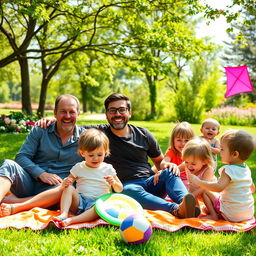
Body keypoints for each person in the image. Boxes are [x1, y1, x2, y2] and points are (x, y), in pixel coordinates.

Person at [1, 93, 198, 219]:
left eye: (122, 109)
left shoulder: (140, 133)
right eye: (112, 111)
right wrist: (52, 121)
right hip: (124, 186)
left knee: (168, 174)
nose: (117, 114)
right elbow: (25, 155)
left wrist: (168, 166)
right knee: (128, 190)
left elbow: (159, 160)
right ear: (106, 114)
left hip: (146, 181)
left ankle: (185, 204)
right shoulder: (95, 133)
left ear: (129, 112)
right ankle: (176, 210)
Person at [0, 94, 84, 216]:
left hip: (55, 191)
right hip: (29, 183)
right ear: (55, 113)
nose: (67, 116)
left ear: (78, 114)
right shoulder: (41, 129)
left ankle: (17, 205)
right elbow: (21, 157)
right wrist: (41, 173)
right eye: (63, 112)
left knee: (66, 187)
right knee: (9, 164)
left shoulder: (85, 138)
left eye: (72, 112)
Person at [53, 128, 123, 227]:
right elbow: (66, 185)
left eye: (100, 155)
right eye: (91, 155)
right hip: (80, 202)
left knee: (99, 207)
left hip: (97, 203)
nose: (95, 158)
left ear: (105, 152)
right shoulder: (79, 167)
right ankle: (64, 214)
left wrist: (113, 183)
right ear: (82, 153)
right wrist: (65, 183)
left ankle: (73, 220)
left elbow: (119, 189)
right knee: (69, 188)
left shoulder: (108, 169)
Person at [187, 129, 255, 222]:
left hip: (231, 214)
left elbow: (218, 188)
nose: (220, 151)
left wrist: (198, 181)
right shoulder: (246, 169)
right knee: (218, 195)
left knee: (206, 190)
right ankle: (218, 209)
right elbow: (252, 189)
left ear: (235, 154)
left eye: (222, 149)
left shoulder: (227, 170)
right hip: (248, 213)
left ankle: (213, 215)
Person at [158, 121, 195, 188]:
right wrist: (169, 164)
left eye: (186, 140)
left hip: (191, 180)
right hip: (175, 178)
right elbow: (163, 163)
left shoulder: (193, 152)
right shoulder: (171, 151)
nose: (183, 144)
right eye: (179, 140)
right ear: (173, 140)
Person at [182, 138, 216, 208]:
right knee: (190, 189)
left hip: (211, 196)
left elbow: (204, 187)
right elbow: (176, 168)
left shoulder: (208, 170)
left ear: (205, 161)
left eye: (193, 164)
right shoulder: (188, 164)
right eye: (186, 162)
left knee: (205, 191)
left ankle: (213, 214)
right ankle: (194, 209)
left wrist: (193, 194)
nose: (189, 166)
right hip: (196, 192)